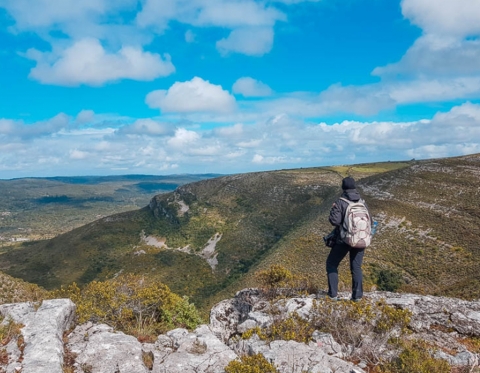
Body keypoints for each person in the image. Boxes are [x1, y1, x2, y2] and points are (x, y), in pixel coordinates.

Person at [326, 176, 371, 301]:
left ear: (343, 188)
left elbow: (334, 221)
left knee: (332, 263)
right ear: (354, 187)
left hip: (344, 239)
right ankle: (357, 297)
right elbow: (370, 221)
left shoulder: (341, 202)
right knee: (356, 268)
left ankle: (333, 295)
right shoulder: (362, 202)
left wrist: (333, 209)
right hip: (361, 239)